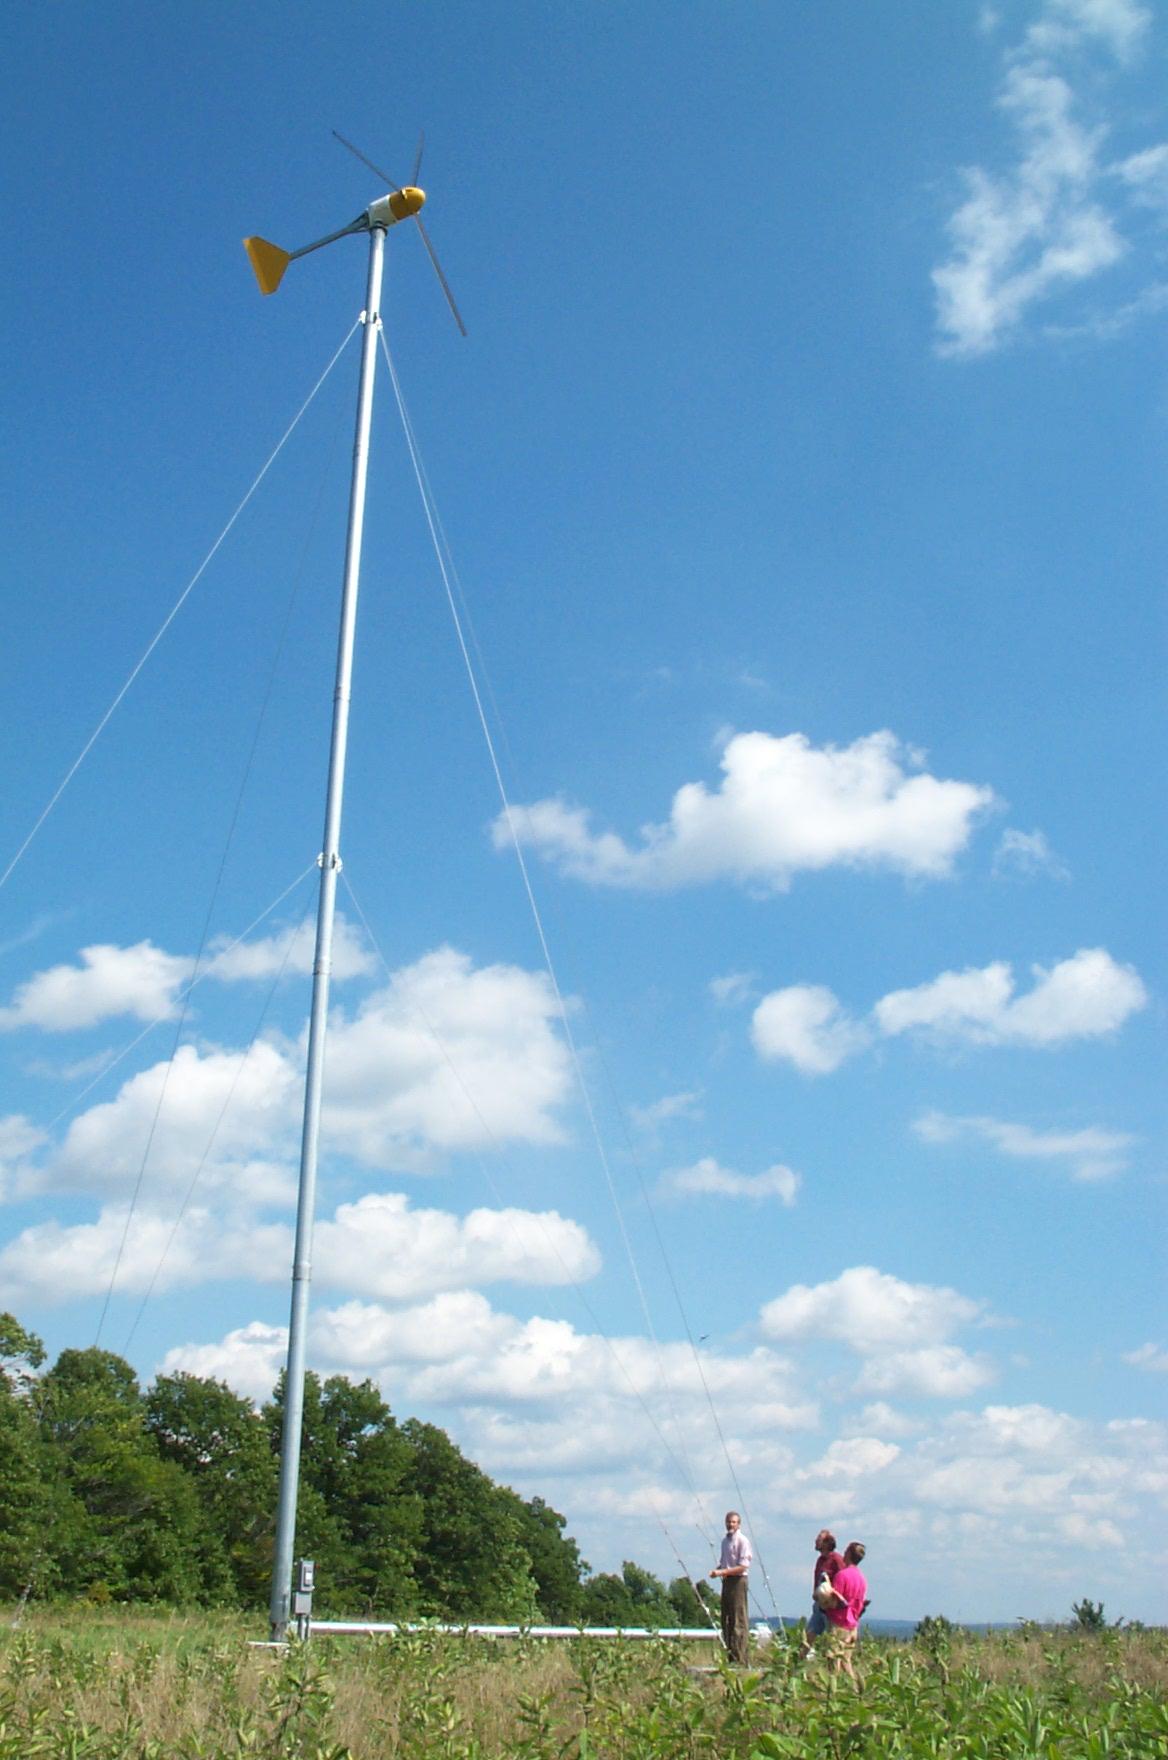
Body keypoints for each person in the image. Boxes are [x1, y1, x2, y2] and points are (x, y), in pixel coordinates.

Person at [710, 1509, 752, 1665]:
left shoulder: (743, 1541)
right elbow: (724, 1562)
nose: (730, 1524)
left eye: (733, 1522)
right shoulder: (724, 1542)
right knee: (726, 1619)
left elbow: (743, 1566)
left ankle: (741, 1658)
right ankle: (731, 1656)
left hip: (739, 1581)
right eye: (728, 1522)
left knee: (738, 1620)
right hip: (727, 1581)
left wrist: (722, 1571)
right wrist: (718, 1570)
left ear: (738, 1524)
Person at [821, 1541, 867, 1680]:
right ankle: (855, 1689)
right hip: (853, 1624)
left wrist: (823, 1601)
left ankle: (833, 1689)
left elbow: (835, 1600)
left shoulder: (842, 1576)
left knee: (833, 1659)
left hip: (839, 1622)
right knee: (846, 1661)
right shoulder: (861, 1578)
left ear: (848, 1554)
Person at [801, 1528, 844, 1658]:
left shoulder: (836, 1559)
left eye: (819, 1539)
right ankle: (799, 1661)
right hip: (819, 1605)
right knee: (809, 1634)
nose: (816, 1541)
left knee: (832, 1637)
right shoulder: (820, 1560)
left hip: (830, 1607)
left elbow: (843, 1578)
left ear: (826, 1543)